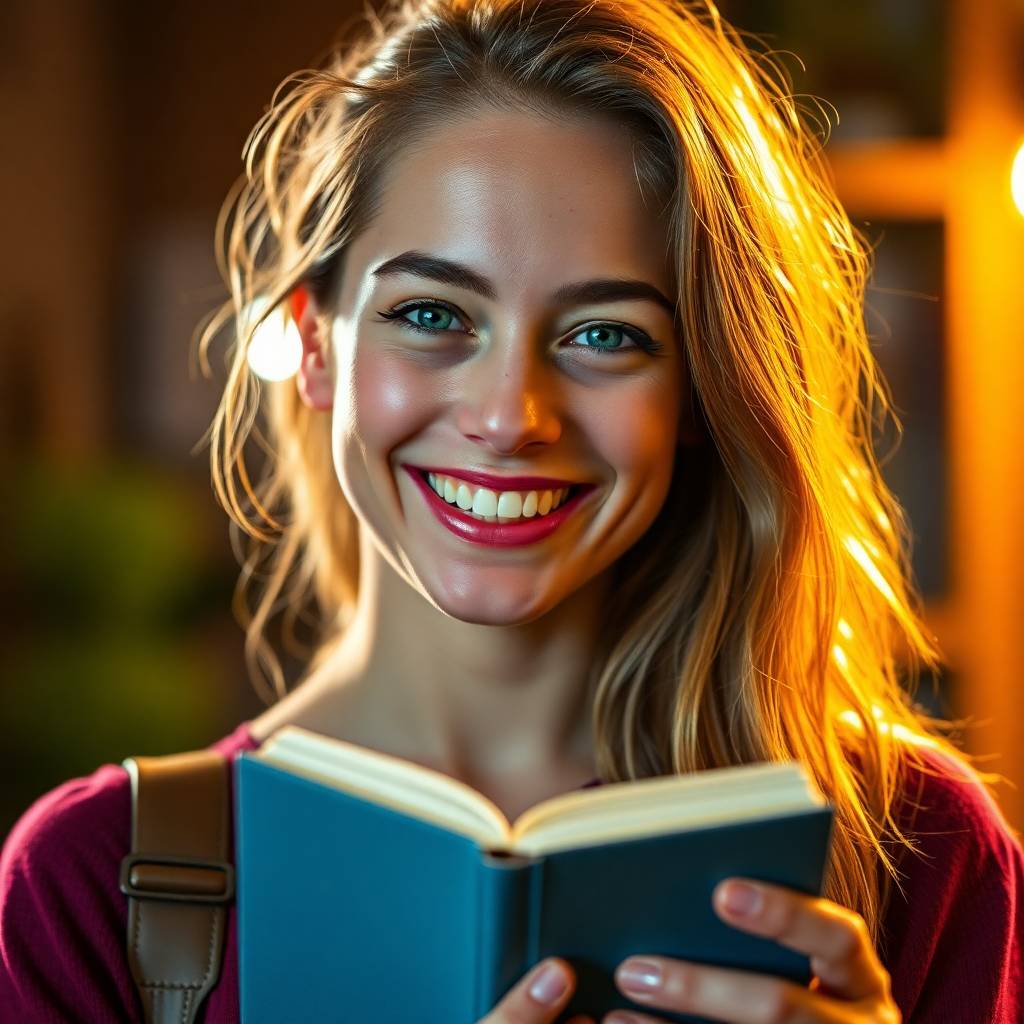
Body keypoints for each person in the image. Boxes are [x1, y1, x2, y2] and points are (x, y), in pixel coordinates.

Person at [2, 0, 1022, 1021]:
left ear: (703, 391)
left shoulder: (922, 855)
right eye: (432, 315)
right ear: (316, 346)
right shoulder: (91, 881)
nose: (508, 417)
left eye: (605, 334)